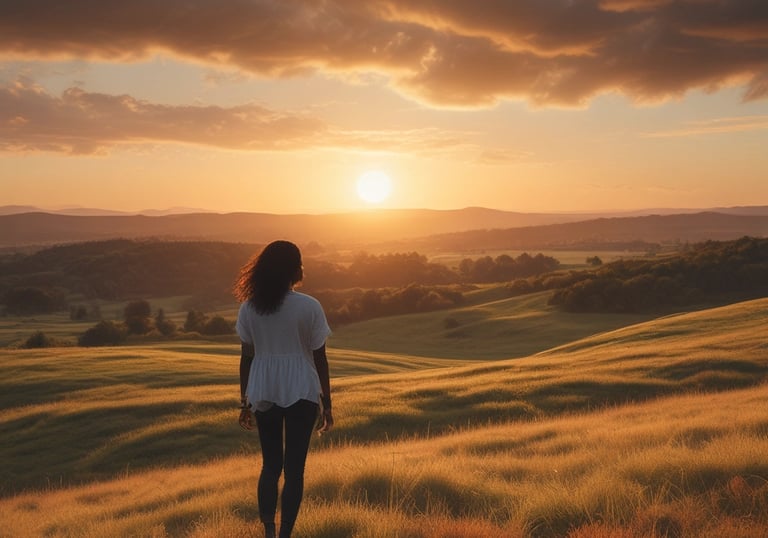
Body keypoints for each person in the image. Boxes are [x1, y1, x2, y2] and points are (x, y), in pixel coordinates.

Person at [234, 240, 333, 538]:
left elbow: (246, 356)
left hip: (264, 389)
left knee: (270, 466)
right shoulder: (309, 306)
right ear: (295, 268)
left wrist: (244, 401)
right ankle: (286, 534)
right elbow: (320, 356)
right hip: (302, 387)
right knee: (294, 469)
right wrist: (327, 404)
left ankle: (268, 532)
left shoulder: (249, 308)